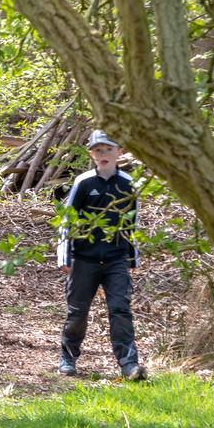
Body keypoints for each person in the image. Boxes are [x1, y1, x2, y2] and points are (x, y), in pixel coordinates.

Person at [56, 130, 148, 381]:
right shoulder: (83, 183)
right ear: (91, 155)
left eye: (108, 149)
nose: (103, 154)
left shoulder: (129, 184)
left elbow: (132, 224)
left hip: (116, 259)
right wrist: (64, 257)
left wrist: (132, 260)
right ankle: (68, 357)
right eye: (98, 150)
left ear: (120, 152)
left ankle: (129, 365)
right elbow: (67, 220)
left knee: (120, 310)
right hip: (84, 258)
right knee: (77, 311)